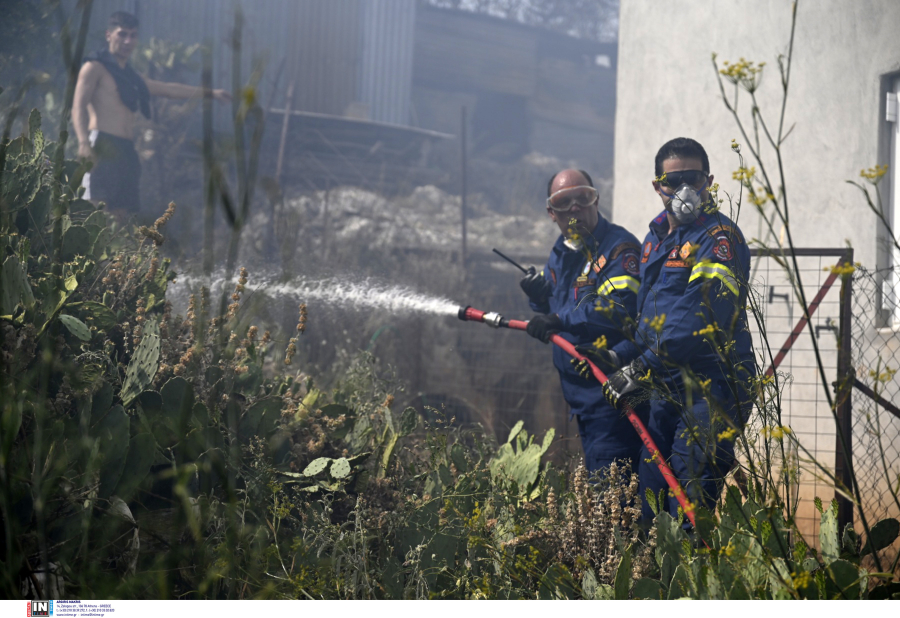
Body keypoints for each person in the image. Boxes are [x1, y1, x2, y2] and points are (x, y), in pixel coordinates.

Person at [598, 137, 755, 523]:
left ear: (709, 181)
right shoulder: (654, 240)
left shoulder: (720, 238)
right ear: (658, 186)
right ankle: (654, 580)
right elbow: (652, 319)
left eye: (694, 178)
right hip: (667, 387)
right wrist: (620, 354)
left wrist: (639, 369)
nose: (685, 189)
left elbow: (700, 316)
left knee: (688, 507)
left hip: (712, 388)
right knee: (650, 505)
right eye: (673, 180)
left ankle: (692, 582)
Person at [521, 169, 644, 474]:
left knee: (612, 495)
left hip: (613, 395)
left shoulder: (619, 248)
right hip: (580, 400)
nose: (574, 208)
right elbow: (558, 305)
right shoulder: (562, 252)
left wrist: (558, 319)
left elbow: (616, 308)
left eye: (583, 197)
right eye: (564, 202)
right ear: (552, 213)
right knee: (604, 492)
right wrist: (538, 300)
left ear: (596, 200)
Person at [73, 11, 230, 220]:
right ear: (109, 35)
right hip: (102, 144)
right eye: (122, 34)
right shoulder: (94, 67)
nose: (128, 41)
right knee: (95, 212)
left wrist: (210, 93)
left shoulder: (131, 76)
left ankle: (114, 253)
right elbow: (78, 106)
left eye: (133, 35)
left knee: (120, 214)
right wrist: (83, 142)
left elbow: (167, 89)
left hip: (126, 149)